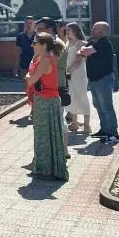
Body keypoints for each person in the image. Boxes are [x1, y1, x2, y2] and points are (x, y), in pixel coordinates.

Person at [26, 33, 69, 180]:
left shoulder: (45, 60)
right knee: (48, 134)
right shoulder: (45, 58)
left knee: (44, 136)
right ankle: (48, 168)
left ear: (44, 45)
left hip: (46, 101)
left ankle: (45, 169)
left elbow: (31, 80)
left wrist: (28, 77)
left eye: (35, 43)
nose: (32, 45)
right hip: (46, 100)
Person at [80, 22, 119, 144]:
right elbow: (81, 52)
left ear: (102, 31)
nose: (92, 29)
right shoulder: (94, 42)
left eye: (95, 28)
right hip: (94, 79)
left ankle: (113, 134)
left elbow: (84, 52)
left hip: (103, 79)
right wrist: (84, 50)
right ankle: (105, 130)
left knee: (106, 107)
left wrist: (84, 50)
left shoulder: (104, 43)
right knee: (98, 105)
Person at [64, 23, 91, 134]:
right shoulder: (67, 43)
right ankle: (74, 123)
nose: (66, 32)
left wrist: (67, 71)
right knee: (72, 98)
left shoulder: (82, 43)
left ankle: (87, 126)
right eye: (66, 30)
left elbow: (78, 61)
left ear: (75, 30)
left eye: (68, 30)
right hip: (69, 73)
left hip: (79, 73)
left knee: (82, 97)